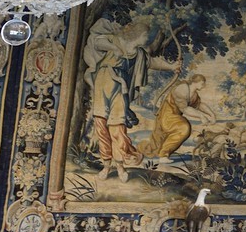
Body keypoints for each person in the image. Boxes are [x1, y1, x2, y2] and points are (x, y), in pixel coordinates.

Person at [83, 14, 164, 181]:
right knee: (101, 126)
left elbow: (152, 63)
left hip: (120, 88)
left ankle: (119, 166)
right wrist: (113, 48)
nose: (146, 38)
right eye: (145, 35)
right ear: (138, 35)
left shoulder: (139, 53)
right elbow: (96, 42)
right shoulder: (117, 40)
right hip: (103, 83)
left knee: (118, 128)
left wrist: (171, 66)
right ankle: (106, 165)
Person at [139, 73, 217, 159]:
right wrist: (201, 116)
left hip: (174, 117)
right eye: (202, 83)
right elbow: (185, 109)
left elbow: (199, 105)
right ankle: (163, 154)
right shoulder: (182, 89)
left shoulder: (193, 94)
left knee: (182, 128)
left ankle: (165, 151)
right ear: (196, 82)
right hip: (167, 116)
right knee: (184, 128)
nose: (204, 86)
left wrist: (212, 115)